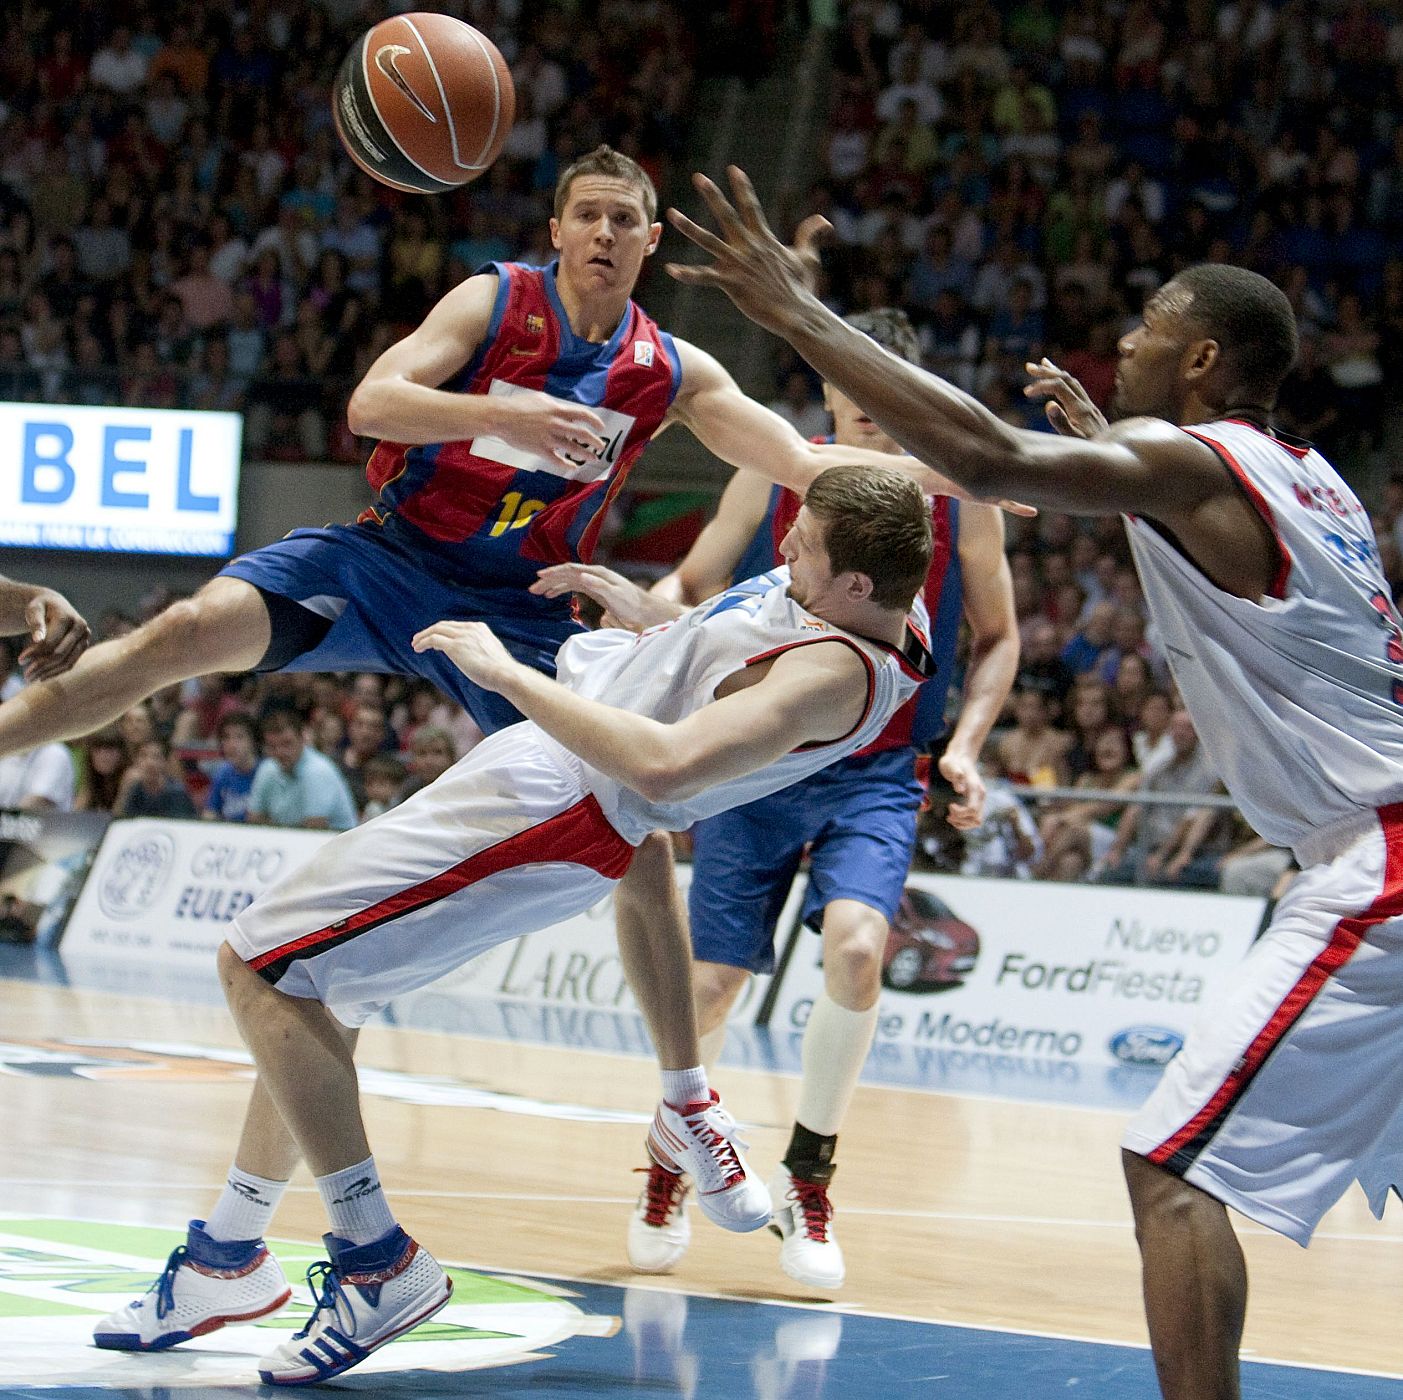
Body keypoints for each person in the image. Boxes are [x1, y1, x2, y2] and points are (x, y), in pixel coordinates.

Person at [666, 166, 1403, 1400]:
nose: (1122, 338)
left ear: (1203, 359)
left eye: (1149, 327)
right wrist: (1104, 452)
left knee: (1170, 1168)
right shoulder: (1307, 477)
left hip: (1376, 863)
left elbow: (982, 453)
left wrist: (797, 315)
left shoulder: (1196, 460)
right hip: (1368, 845)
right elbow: (1172, 515)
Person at [93, 464, 936, 1385]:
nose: (782, 548)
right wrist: (656, 617)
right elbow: (728, 656)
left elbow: (663, 768)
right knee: (323, 990)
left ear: (857, 584)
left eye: (802, 547)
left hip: (563, 802)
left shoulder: (834, 674)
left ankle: (378, 1262)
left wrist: (499, 669)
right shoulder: (870, 597)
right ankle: (228, 1253)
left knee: (259, 967)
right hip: (550, 768)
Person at [615, 309, 1018, 1286]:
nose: (869, 406)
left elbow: (1000, 635)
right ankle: (672, 1157)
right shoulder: (776, 463)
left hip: (877, 771)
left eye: (888, 388)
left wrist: (964, 746)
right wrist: (654, 619)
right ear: (834, 389)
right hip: (761, 762)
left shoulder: (961, 500)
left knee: (855, 951)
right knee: (707, 990)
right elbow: (697, 572)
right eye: (853, 384)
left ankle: (809, 1175)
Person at [246, 709, 358, 832]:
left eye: (287, 744)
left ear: (302, 739)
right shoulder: (267, 768)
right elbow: (253, 819)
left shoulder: (318, 771)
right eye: (272, 746)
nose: (280, 752)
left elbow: (314, 828)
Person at [115, 737, 198, 819]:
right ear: (136, 761)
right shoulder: (134, 788)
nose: (150, 763)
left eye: (156, 757)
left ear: (165, 762)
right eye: (143, 756)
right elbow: (119, 819)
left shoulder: (177, 792)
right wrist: (125, 789)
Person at [203, 713, 261, 822]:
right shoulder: (222, 773)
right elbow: (210, 813)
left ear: (253, 742)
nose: (232, 745)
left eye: (239, 737)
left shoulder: (266, 772)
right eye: (226, 738)